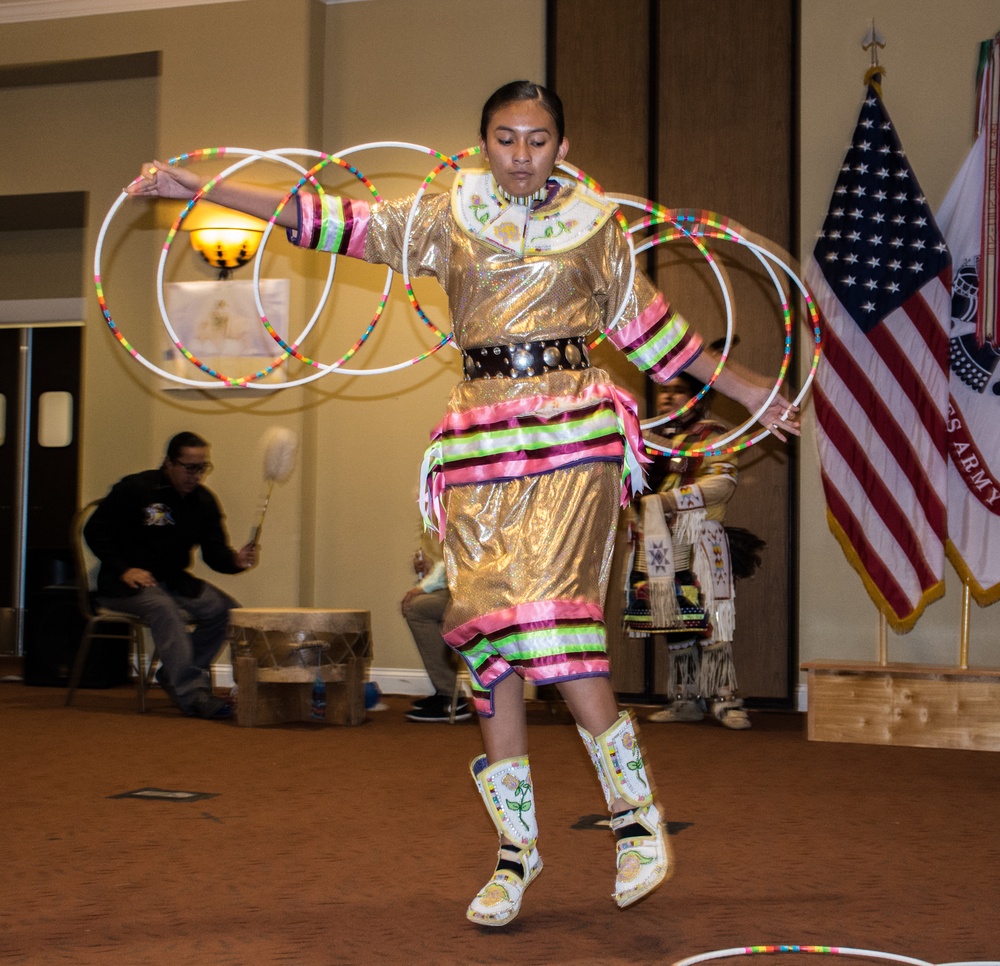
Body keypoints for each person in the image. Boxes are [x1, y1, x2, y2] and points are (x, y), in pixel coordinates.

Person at [127, 80, 799, 925]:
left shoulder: (596, 225)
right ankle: (516, 854)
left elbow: (661, 339)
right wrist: (196, 185)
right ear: (483, 142)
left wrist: (753, 392)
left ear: (562, 143)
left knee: (552, 620)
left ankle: (637, 821)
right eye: (506, 139)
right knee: (485, 643)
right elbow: (321, 218)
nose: (522, 156)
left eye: (539, 139)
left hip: (572, 435)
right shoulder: (447, 214)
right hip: (479, 441)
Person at [84, 431, 258, 720]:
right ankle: (193, 693)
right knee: (165, 610)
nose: (196, 475)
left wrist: (236, 561)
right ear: (168, 463)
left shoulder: (204, 502)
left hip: (172, 579)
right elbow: (94, 531)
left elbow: (215, 554)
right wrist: (124, 568)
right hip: (123, 583)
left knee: (227, 612)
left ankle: (175, 674)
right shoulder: (136, 488)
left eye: (202, 468)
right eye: (189, 467)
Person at [624, 373, 759, 730]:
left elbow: (723, 483)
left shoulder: (711, 435)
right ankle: (684, 698)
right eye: (664, 392)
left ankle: (725, 697)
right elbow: (631, 482)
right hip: (658, 538)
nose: (667, 398)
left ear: (696, 397)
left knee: (712, 615)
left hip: (700, 535)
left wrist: (670, 499)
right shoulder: (651, 440)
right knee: (672, 614)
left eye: (677, 392)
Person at [400, 539, 470, 722]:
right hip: (472, 589)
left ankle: (450, 695)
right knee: (423, 607)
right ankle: (449, 693)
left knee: (416, 608)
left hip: (483, 594)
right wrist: (430, 573)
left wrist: (420, 588)